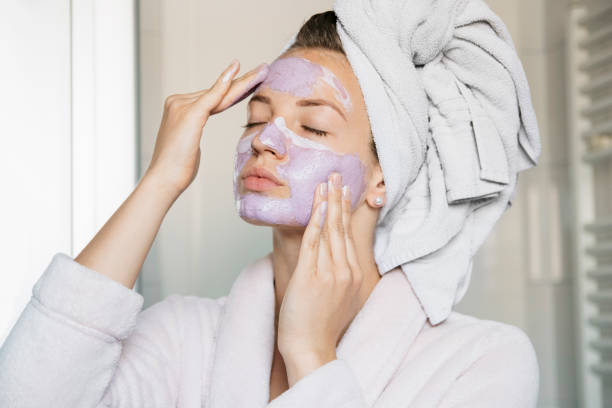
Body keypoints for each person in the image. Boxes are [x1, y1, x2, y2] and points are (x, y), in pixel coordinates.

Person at [0, 7, 540, 408]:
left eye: (312, 125)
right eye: (256, 118)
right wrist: (160, 179)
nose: (266, 140)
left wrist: (310, 354)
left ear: (383, 176)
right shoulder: (185, 335)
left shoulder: (480, 361)